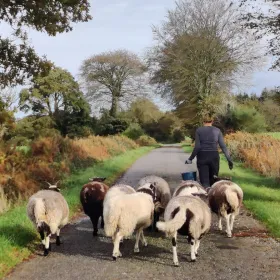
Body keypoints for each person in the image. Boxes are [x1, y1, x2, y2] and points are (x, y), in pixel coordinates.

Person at [185, 117, 233, 188]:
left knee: (205, 183)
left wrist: (190, 159)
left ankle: (205, 195)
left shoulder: (199, 130)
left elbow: (197, 147)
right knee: (214, 180)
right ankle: (212, 196)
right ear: (212, 121)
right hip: (214, 157)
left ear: (203, 121)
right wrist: (229, 160)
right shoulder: (217, 131)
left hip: (202, 156)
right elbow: (223, 146)